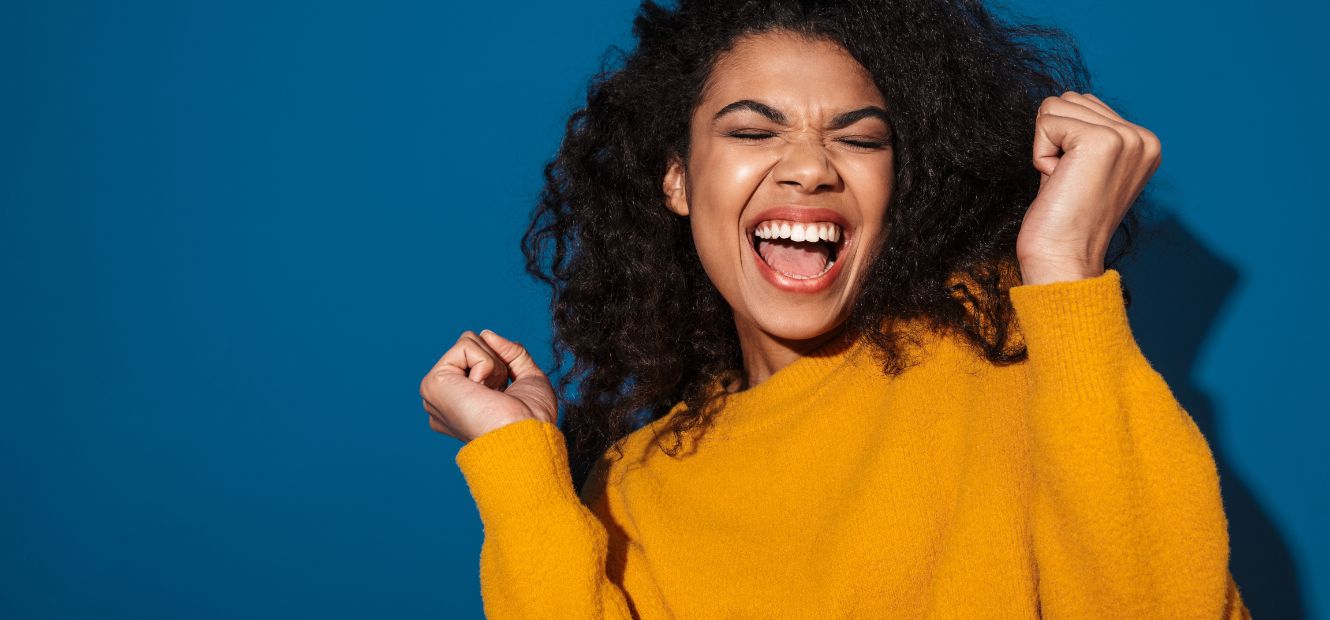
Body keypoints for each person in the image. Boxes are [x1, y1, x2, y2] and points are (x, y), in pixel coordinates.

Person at [420, 0, 1251, 617]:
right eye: (753, 132)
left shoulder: (1014, 359)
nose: (811, 168)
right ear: (676, 179)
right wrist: (517, 464)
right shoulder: (640, 484)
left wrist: (1064, 277)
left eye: (859, 139)